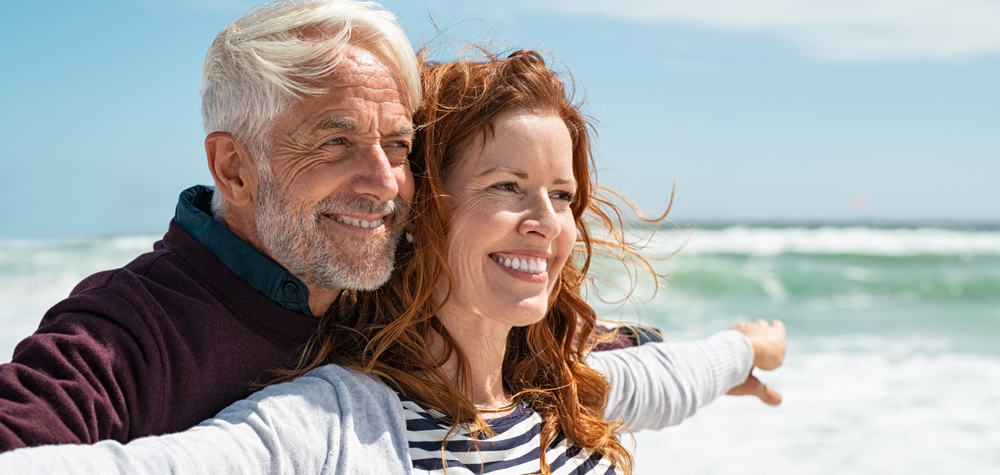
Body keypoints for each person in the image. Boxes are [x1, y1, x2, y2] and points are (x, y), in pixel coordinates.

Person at [0, 0, 781, 455]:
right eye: (336, 140)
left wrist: (690, 350)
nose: (383, 181)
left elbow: (492, 319)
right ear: (234, 169)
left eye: (399, 144)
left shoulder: (361, 271)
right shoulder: (126, 331)